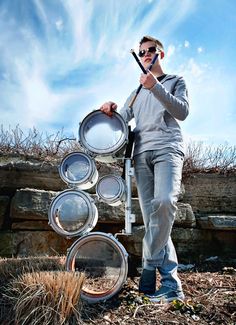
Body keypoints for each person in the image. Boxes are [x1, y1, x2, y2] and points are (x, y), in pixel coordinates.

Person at [100, 35, 189, 302]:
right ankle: (172, 285)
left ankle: (149, 265)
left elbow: (182, 112)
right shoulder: (136, 91)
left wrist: (156, 87)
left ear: (161, 53)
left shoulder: (175, 81)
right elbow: (121, 119)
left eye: (151, 50)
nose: (146, 54)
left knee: (164, 203)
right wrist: (110, 109)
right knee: (154, 221)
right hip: (141, 155)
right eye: (141, 52)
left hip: (167, 149)